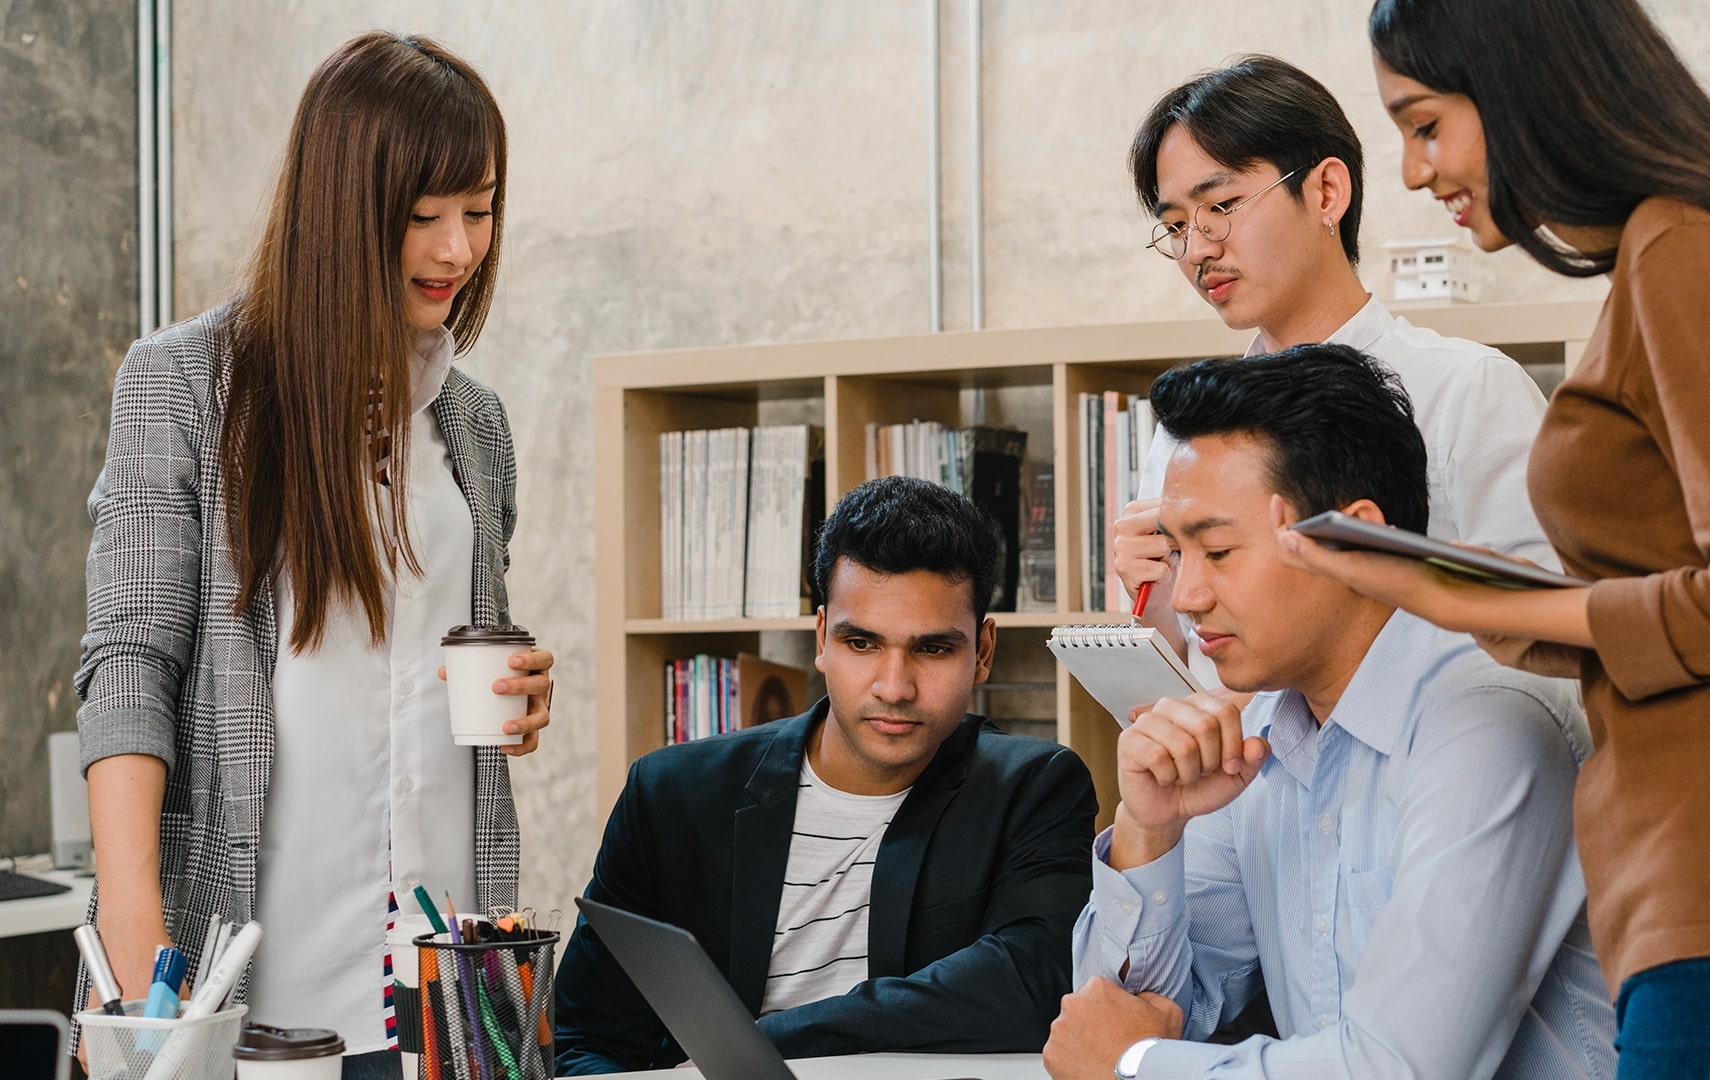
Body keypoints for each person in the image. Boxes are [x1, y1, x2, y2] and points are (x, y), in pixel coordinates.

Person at [1271, 0, 1710, 1073]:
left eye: (1426, 124)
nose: (1417, 171)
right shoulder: (1683, 251)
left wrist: (1488, 601)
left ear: (1523, 85)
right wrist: (1485, 601)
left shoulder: (1690, 253)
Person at [73, 32, 553, 1079]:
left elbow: (437, 664)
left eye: (479, 210)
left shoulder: (474, 423)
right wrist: (135, 940)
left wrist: (519, 694)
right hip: (250, 976)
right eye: (423, 215)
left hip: (445, 978)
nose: (459, 249)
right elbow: (130, 664)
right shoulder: (184, 385)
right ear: (342, 208)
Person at [1042, 347, 1615, 1080]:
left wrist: (1137, 1066)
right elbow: (1110, 1020)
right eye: (1177, 555)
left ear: (1354, 540)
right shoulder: (1258, 731)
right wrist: (1147, 832)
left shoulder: (1487, 722)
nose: (1185, 598)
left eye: (1219, 550)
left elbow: (1399, 1069)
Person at [554, 477, 1099, 1075]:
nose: (894, 687)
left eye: (933, 649)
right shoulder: (671, 794)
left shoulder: (1035, 788)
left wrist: (761, 1043)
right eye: (861, 643)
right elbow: (584, 1041)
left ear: (983, 651)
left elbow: (1031, 982)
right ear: (821, 639)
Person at [1116, 54, 1558, 687]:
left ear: (1327, 191)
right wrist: (1157, 609)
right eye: (1176, 225)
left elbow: (1549, 644)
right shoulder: (1189, 430)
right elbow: (1196, 692)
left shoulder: (1469, 390)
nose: (1198, 249)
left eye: (1222, 205)